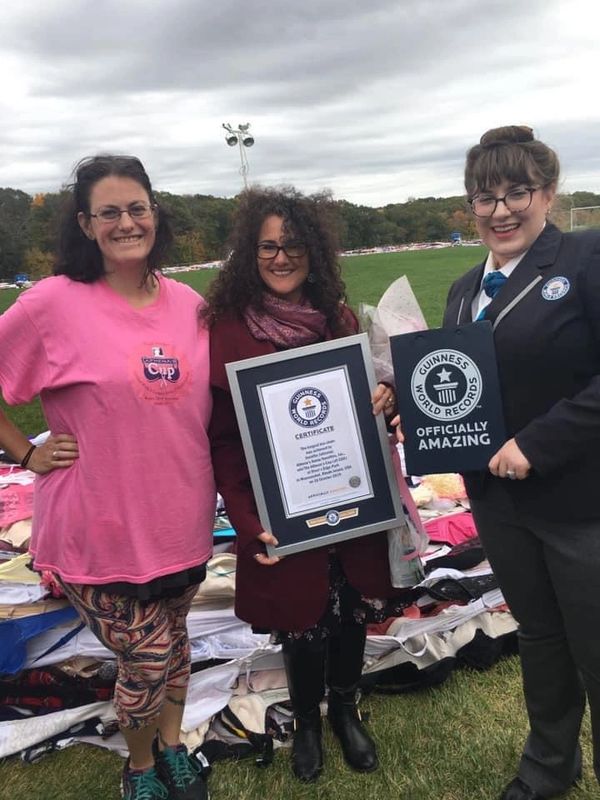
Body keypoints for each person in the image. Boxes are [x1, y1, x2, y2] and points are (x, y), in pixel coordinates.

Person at [0, 155, 215, 800]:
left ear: (156, 213)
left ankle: (173, 747)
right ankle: (140, 766)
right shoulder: (50, 304)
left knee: (175, 644)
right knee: (146, 657)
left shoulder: (190, 305)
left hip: (182, 519)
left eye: (137, 208)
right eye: (110, 212)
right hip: (98, 529)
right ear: (85, 224)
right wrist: (25, 454)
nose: (127, 222)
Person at [205, 186, 409, 783]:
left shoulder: (338, 319)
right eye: (268, 246)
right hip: (280, 508)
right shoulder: (227, 332)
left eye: (293, 245)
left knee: (350, 612)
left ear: (313, 251)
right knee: (301, 620)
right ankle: (307, 723)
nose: (281, 257)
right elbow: (223, 440)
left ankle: (344, 707)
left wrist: (387, 395)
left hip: (347, 498)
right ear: (250, 254)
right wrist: (248, 521)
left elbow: (367, 408)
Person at [441, 126, 600, 799]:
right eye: (486, 197)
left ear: (549, 193)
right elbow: (457, 388)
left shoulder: (587, 257)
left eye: (517, 193)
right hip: (498, 503)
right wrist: (418, 414)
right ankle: (547, 769)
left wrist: (539, 443)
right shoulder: (461, 289)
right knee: (539, 636)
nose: (501, 210)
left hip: (580, 500)